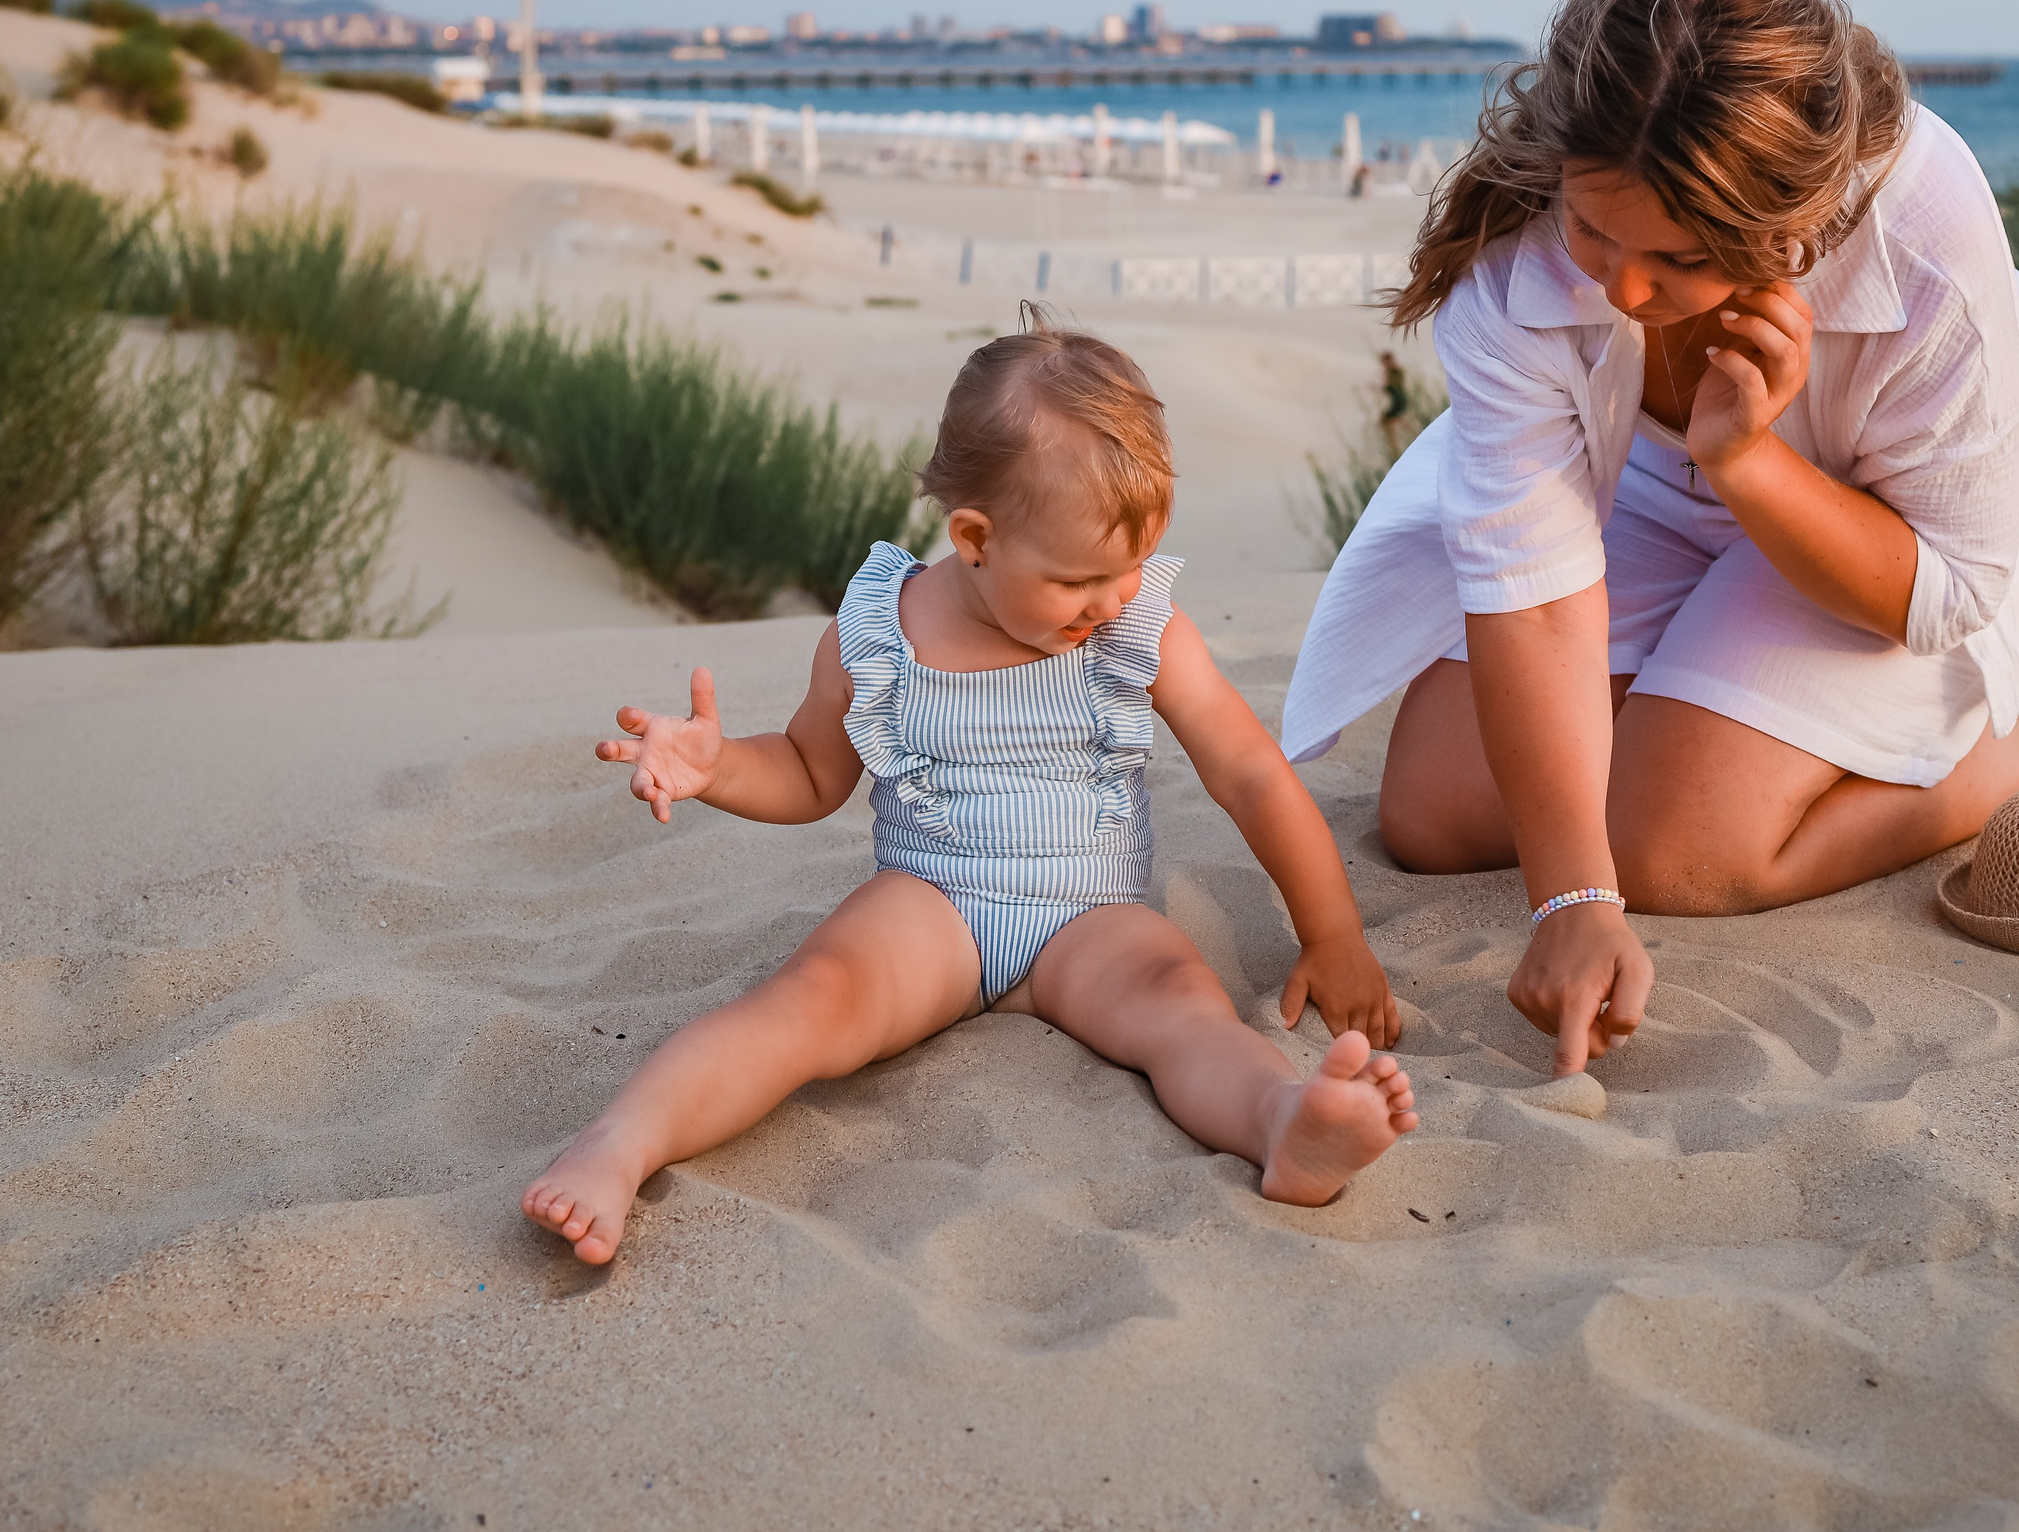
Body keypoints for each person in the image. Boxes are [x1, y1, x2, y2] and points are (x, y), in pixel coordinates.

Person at [1279, 0, 2019, 1078]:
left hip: (1893, 527)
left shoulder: (1922, 226)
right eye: (1594, 230)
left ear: (1791, 224)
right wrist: (1569, 900)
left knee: (1668, 844)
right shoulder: (1526, 240)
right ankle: (1725, 693)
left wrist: (1746, 459)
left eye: (1674, 259)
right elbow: (1532, 601)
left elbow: (1938, 593)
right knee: (1434, 812)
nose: (1619, 290)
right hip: (1648, 479)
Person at [526, 319, 1415, 1265]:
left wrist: (1334, 934)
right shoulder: (879, 632)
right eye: (1078, 578)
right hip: (932, 905)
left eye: (1129, 568)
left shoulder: (1137, 624)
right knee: (812, 998)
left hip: (1090, 916)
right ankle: (621, 1143)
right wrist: (718, 769)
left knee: (1181, 1001)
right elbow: (810, 770)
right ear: (976, 538)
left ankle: (1283, 1121)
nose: (1111, 599)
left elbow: (1249, 773)